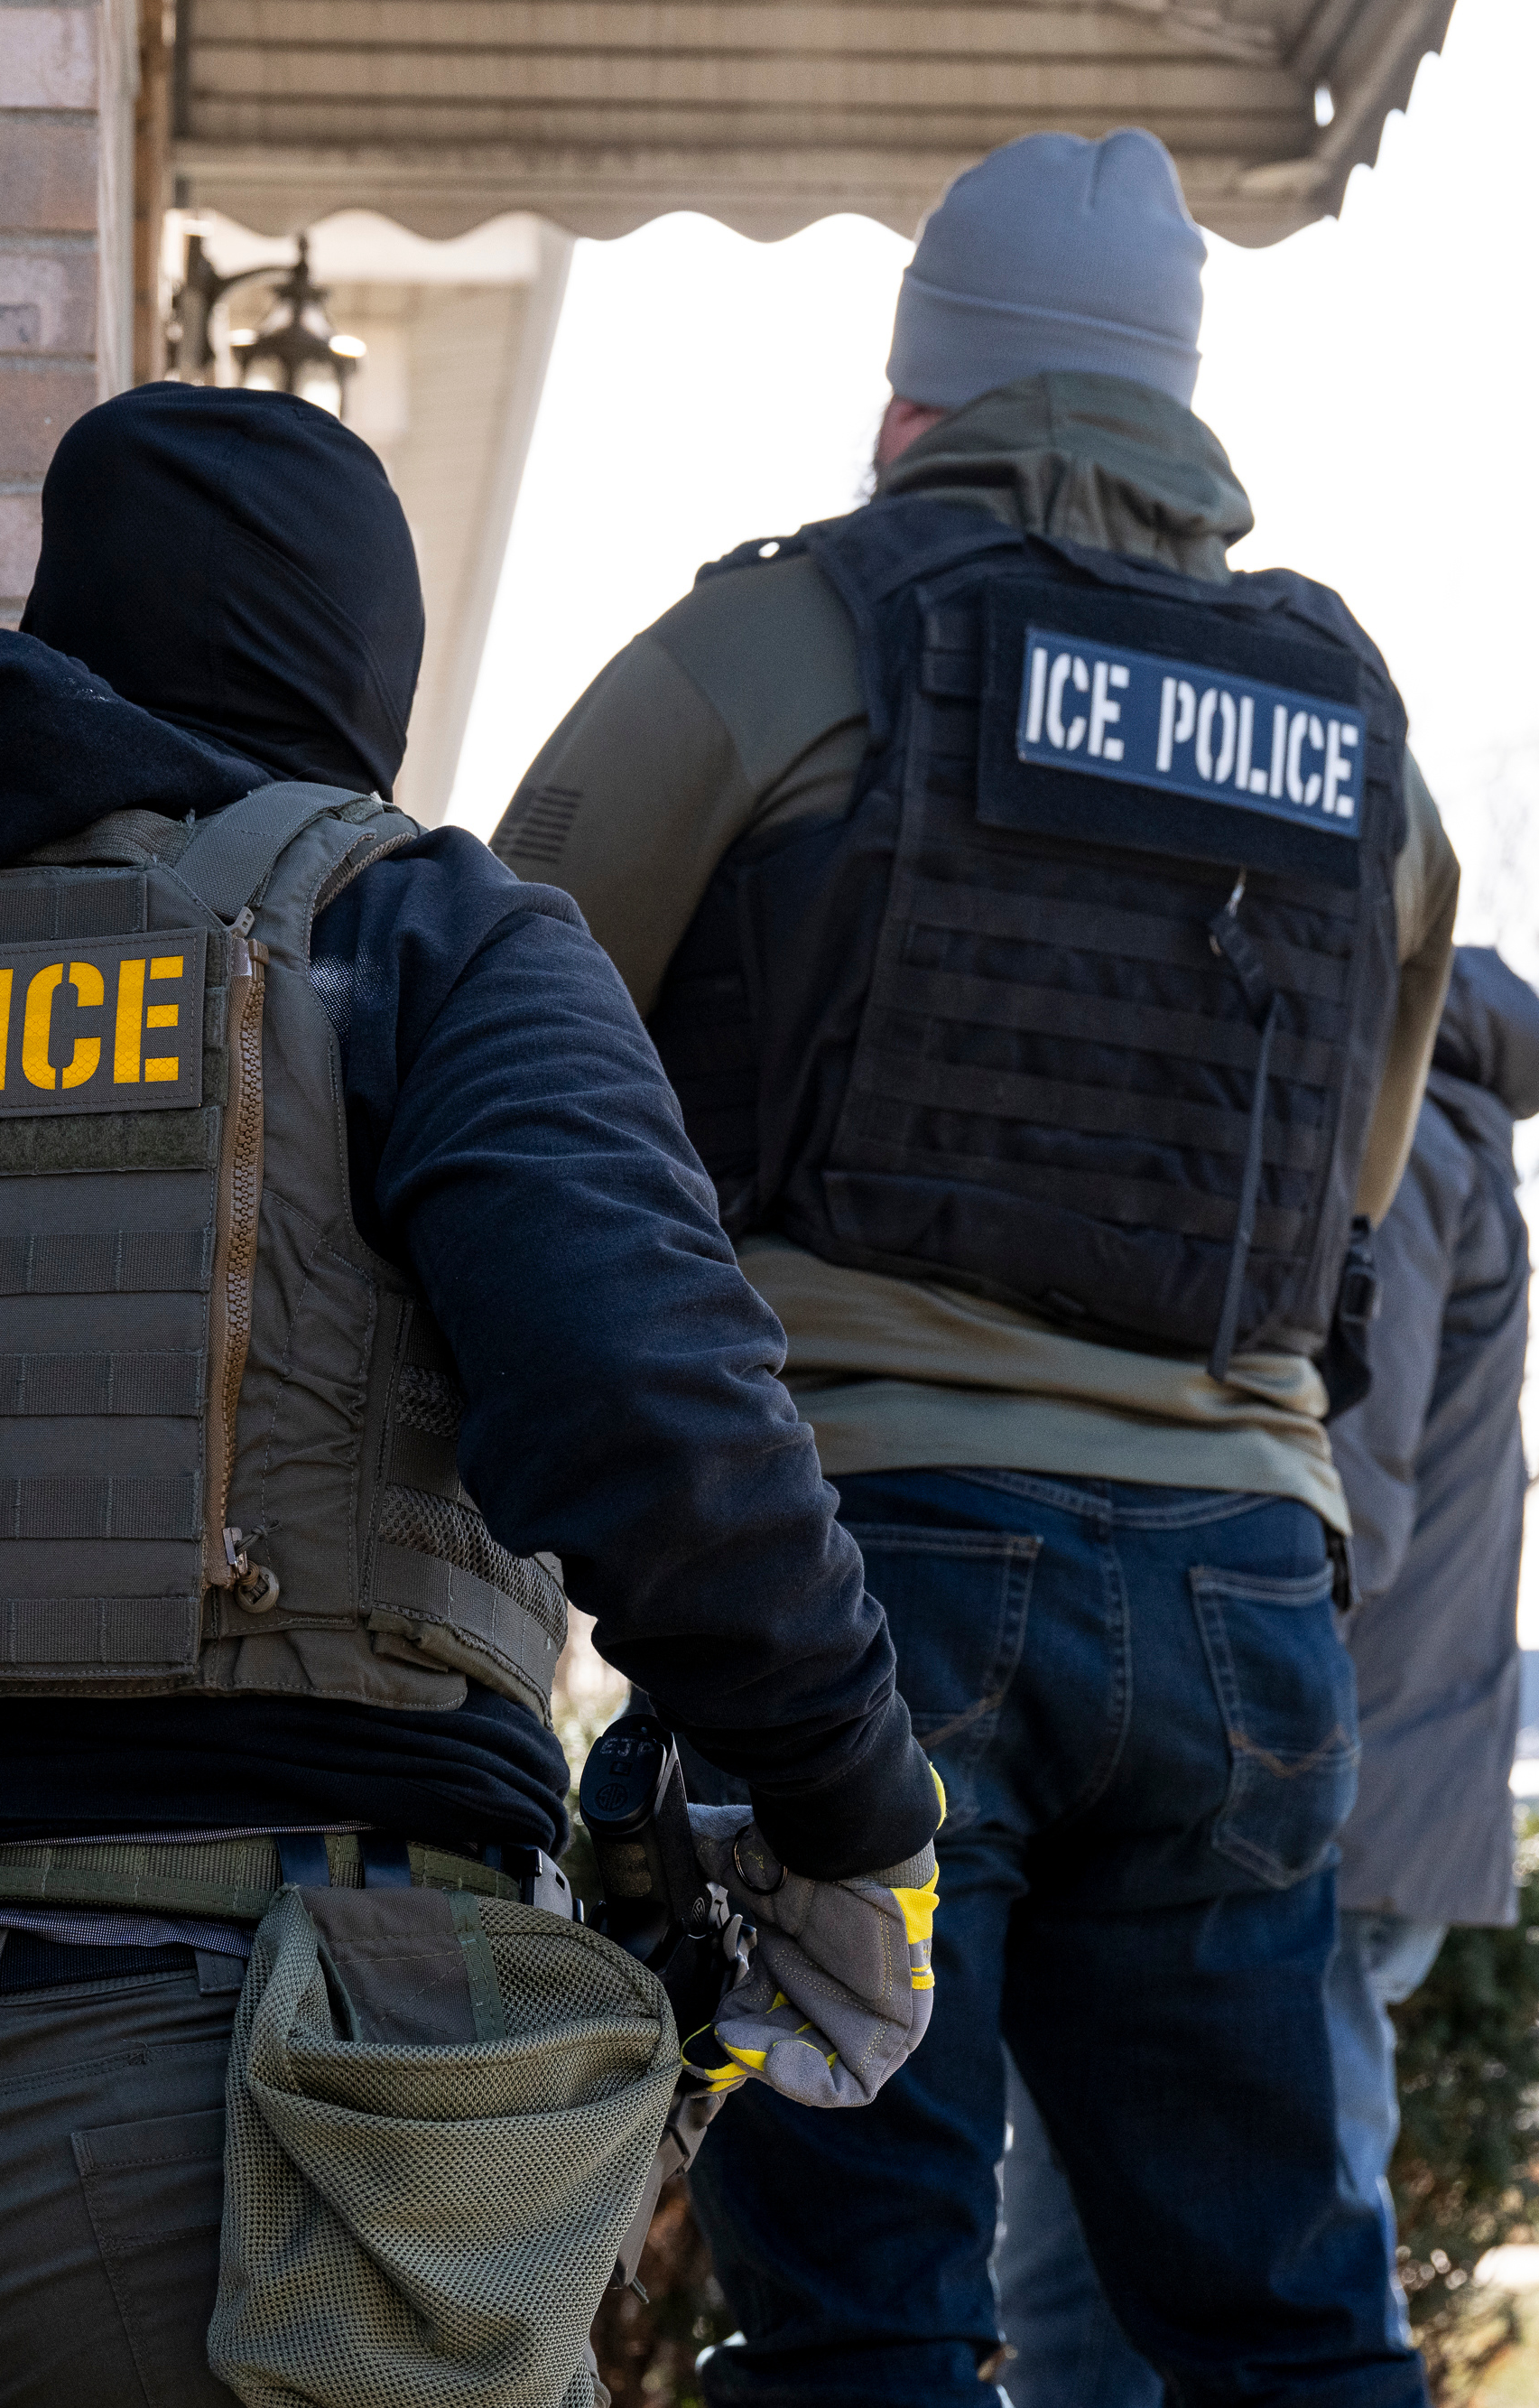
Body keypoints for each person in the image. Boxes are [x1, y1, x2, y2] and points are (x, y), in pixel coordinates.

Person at [0, 381, 942, 2408]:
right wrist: (852, 1810)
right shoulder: (410, 931)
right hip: (268, 2124)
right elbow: (658, 1421)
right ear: (362, 670)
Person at [495, 129, 1460, 2408]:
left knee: (869, 2325)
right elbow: (1351, 1179)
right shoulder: (1350, 733)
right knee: (1287, 2327)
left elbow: (489, 1030)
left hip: (857, 1584)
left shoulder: (782, 642)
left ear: (913, 394)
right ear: (1171, 399)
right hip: (1239, 1594)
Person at [989, 945, 1539, 2406]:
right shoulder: (1422, 1121)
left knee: (1190, 2286)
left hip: (1298, 1795)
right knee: (1133, 2271)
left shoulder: (1397, 1136)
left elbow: (1338, 1507)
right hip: (1336, 1779)